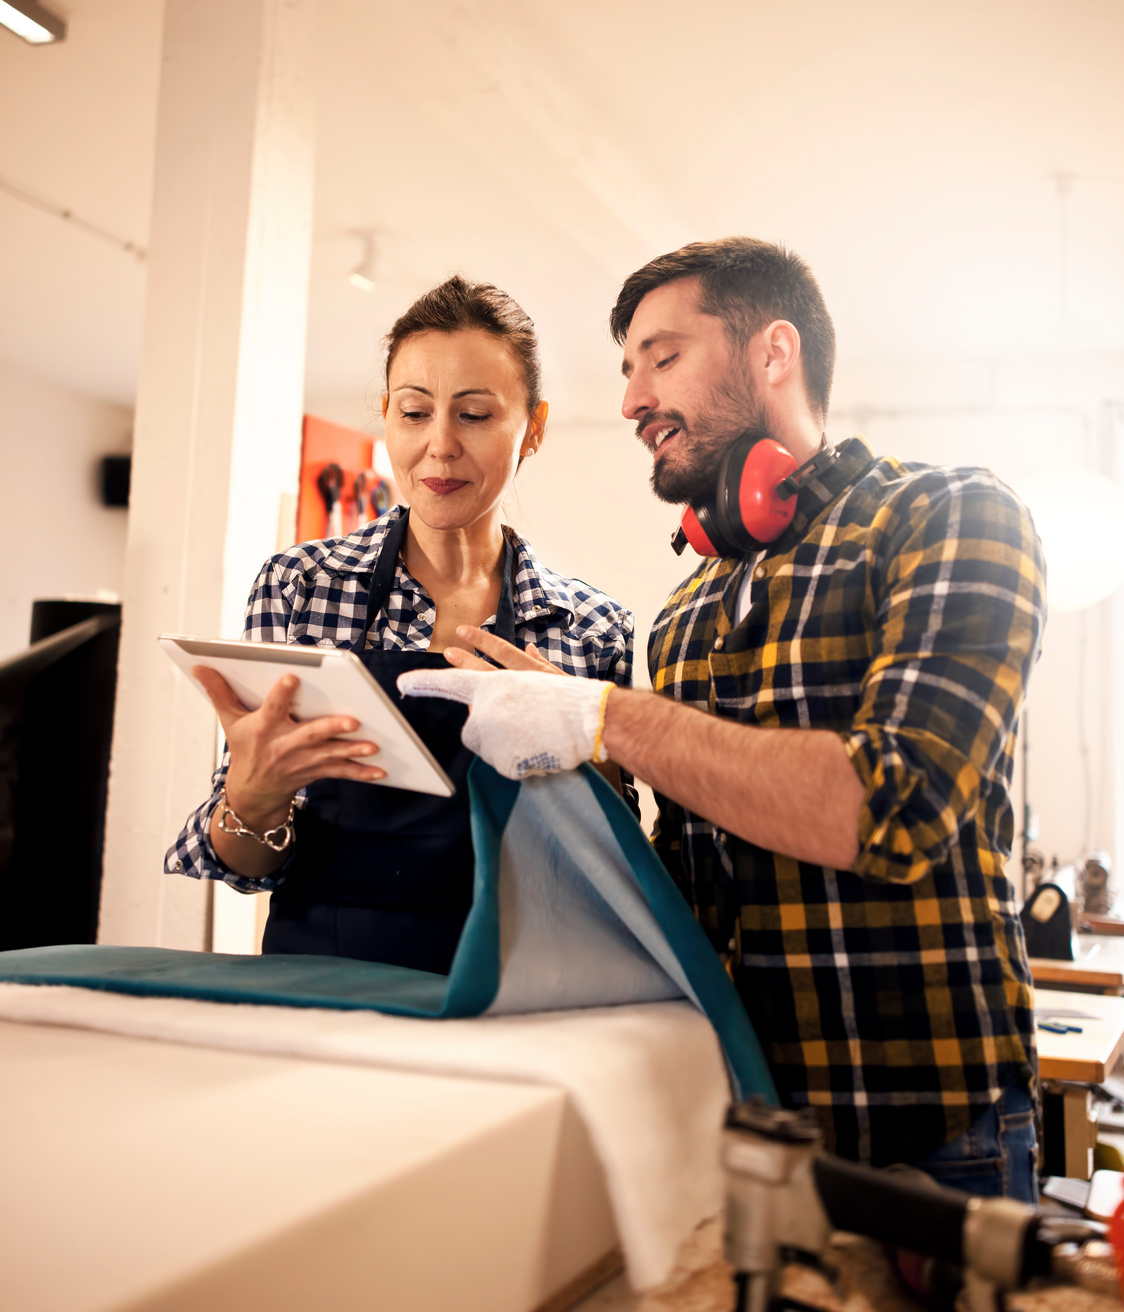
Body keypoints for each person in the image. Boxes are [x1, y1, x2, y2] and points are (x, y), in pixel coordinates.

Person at [405, 238, 1045, 1201]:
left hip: (934, 1138)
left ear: (773, 352)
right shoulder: (684, 612)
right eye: (628, 371)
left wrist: (603, 715)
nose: (632, 400)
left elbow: (895, 806)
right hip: (733, 1125)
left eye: (662, 358)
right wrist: (581, 776)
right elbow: (692, 882)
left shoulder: (951, 517)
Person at [166, 276, 634, 974]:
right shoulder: (300, 588)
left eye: (474, 414)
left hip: (517, 989)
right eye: (414, 412)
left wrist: (589, 752)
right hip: (325, 985)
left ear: (533, 428)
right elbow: (243, 864)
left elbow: (616, 870)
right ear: (386, 415)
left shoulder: (592, 628)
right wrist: (252, 798)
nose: (440, 445)